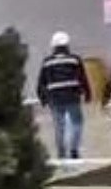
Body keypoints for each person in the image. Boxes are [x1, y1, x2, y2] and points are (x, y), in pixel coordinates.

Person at [35, 31, 93, 160]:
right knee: (77, 122)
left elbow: (41, 82)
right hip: (72, 96)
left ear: (53, 46)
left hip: (55, 98)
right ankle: (73, 150)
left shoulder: (47, 62)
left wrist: (43, 98)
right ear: (67, 45)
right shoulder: (74, 59)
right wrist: (88, 94)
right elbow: (83, 78)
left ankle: (61, 152)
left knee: (58, 125)